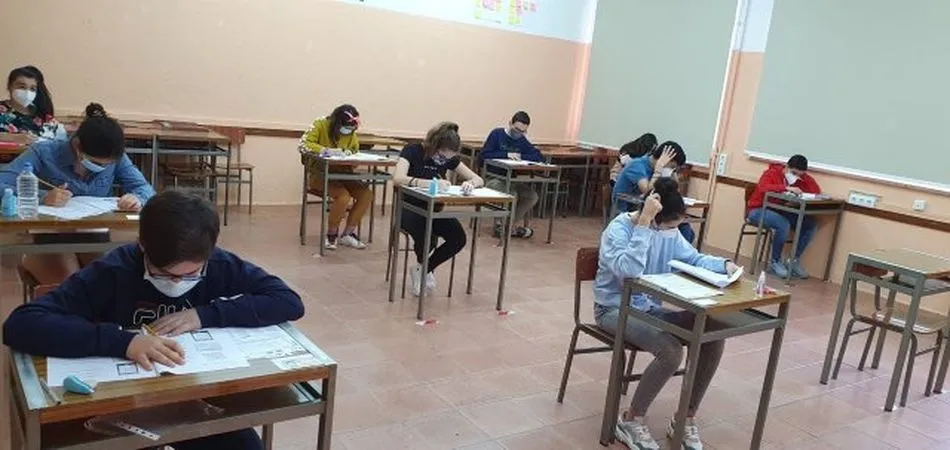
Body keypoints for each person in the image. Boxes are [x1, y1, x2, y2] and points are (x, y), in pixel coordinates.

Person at [2, 190, 304, 450]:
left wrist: (205, 315)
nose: (177, 283)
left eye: (191, 274)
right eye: (164, 273)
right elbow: (21, 324)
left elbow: (287, 301)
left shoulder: (219, 264)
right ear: (142, 246)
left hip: (194, 400)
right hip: (119, 406)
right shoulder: (113, 271)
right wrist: (124, 342)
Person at [594, 178, 739, 450]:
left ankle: (686, 417)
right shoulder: (619, 229)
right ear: (654, 218)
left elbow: (692, 258)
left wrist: (724, 265)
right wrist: (644, 224)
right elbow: (629, 272)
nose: (674, 232)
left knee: (712, 333)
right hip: (612, 309)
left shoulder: (669, 231)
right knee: (670, 350)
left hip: (648, 308)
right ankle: (631, 420)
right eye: (670, 226)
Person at [0, 103, 155, 285]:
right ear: (76, 145)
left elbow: (145, 189)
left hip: (95, 234)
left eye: (107, 165)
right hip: (49, 235)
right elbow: (2, 183)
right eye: (96, 163)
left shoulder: (115, 158)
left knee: (108, 279)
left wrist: (137, 198)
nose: (103, 168)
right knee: (69, 281)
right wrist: (43, 197)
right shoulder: (44, 152)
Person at [392, 121, 484, 295]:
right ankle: (423, 271)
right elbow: (398, 179)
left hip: (434, 209)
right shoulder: (412, 151)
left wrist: (470, 183)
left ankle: (423, 270)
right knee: (426, 235)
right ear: (434, 145)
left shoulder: (449, 159)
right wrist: (427, 183)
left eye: (447, 159)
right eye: (441, 156)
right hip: (409, 208)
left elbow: (478, 179)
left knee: (458, 238)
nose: (443, 161)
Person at [298, 104, 371, 250]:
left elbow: (354, 149)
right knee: (343, 196)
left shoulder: (351, 131)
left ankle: (348, 234)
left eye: (351, 129)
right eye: (345, 128)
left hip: (343, 173)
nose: (347, 132)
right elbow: (303, 145)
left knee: (366, 195)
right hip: (320, 174)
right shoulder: (320, 124)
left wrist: (350, 156)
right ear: (336, 123)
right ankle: (331, 235)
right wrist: (325, 150)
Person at [746, 154, 821, 279]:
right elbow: (763, 187)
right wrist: (786, 188)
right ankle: (775, 261)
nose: (795, 176)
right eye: (793, 173)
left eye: (799, 174)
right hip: (758, 209)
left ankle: (793, 260)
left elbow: (816, 191)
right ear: (786, 167)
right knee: (783, 224)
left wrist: (803, 178)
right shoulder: (771, 173)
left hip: (778, 210)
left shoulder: (800, 178)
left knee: (809, 224)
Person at [612, 141, 695, 243]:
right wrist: (658, 169)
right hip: (629, 207)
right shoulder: (637, 165)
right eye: (672, 166)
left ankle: (674, 251)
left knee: (685, 228)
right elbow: (647, 191)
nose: (670, 169)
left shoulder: (659, 169)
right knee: (672, 225)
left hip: (647, 206)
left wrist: (672, 175)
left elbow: (673, 193)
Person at [478, 111, 544, 238]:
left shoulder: (522, 140)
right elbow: (483, 156)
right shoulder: (497, 134)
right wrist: (507, 154)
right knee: (512, 194)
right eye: (516, 129)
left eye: (523, 131)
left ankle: (505, 226)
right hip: (493, 178)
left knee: (532, 196)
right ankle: (505, 228)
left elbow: (538, 156)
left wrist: (520, 156)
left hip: (511, 180)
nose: (518, 133)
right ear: (510, 123)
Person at [0, 66, 65, 142]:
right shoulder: (2, 111)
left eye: (32, 89)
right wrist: (13, 138)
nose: (27, 92)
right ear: (10, 86)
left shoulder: (43, 116)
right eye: (22, 87)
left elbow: (61, 142)